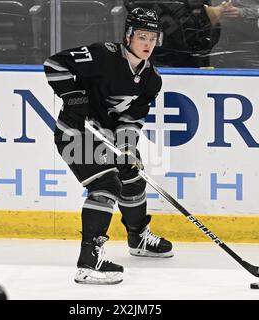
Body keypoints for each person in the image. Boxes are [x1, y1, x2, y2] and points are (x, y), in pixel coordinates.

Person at [43, 8, 173, 285]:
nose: (148, 44)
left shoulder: (152, 79)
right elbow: (54, 64)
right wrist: (74, 96)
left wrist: (126, 148)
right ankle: (89, 263)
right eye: (141, 37)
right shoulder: (102, 55)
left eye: (153, 37)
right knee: (106, 185)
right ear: (128, 36)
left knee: (133, 178)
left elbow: (131, 119)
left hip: (109, 139)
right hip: (75, 134)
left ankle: (138, 238)